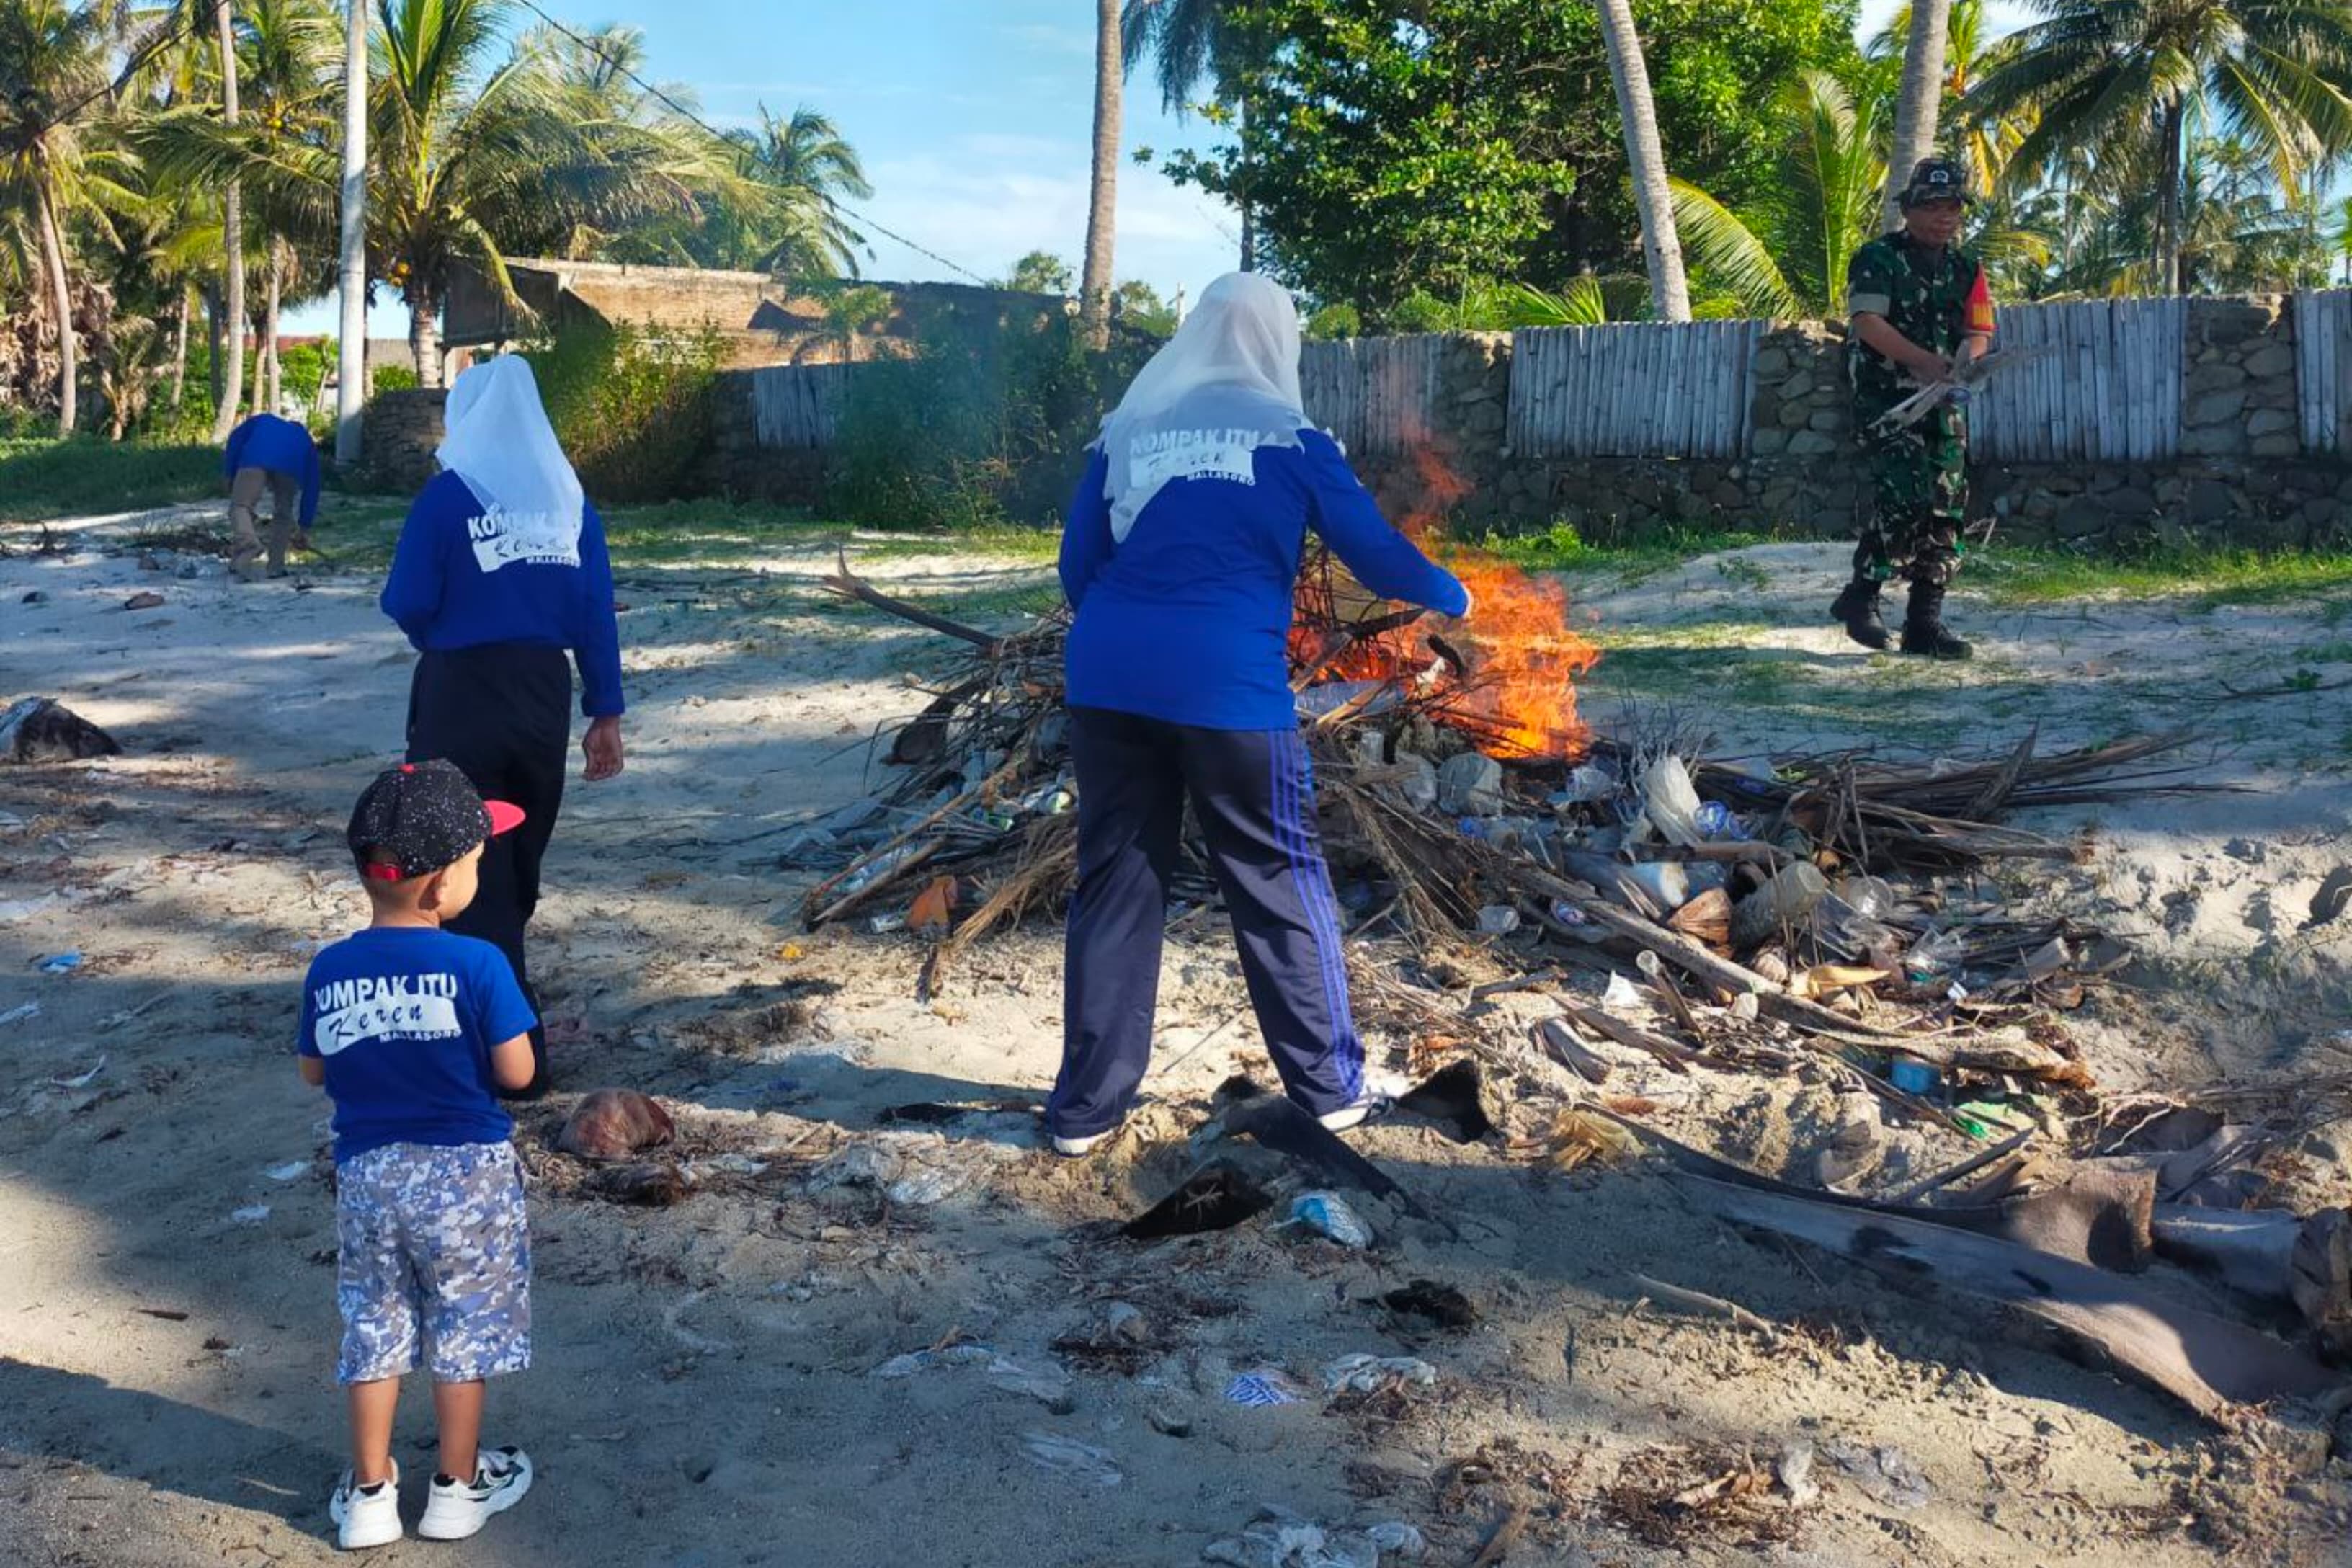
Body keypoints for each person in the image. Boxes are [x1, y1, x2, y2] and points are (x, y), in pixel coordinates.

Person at [1047, 271, 1471, 1157]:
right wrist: (1451, 593)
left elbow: (1078, 564)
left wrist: (1136, 636)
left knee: (1116, 881)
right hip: (1228, 690)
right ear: (1280, 341)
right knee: (1277, 874)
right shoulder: (1292, 437)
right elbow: (1374, 554)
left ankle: (1085, 1112)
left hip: (1108, 678)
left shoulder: (1127, 430)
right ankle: (1329, 1090)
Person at [300, 760, 538, 1550]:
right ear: (440, 885)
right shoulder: (478, 963)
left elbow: (314, 1070)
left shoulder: (330, 967)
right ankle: (456, 1490)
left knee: (374, 1322)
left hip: (369, 1176)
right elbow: (519, 1073)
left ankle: (370, 1493)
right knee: (463, 1327)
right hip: (466, 1175)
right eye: (476, 861)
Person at [380, 356, 625, 1097]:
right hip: (543, 695)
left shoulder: (448, 496)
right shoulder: (570, 501)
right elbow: (597, 615)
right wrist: (605, 712)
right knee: (513, 869)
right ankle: (503, 1035)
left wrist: (442, 636)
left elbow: (406, 599)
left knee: (454, 869)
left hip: (461, 693)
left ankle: (507, 1058)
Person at [1832, 156, 1995, 661]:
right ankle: (1863, 594)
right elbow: (1867, 322)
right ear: (1908, 210)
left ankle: (1925, 623)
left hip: (1944, 399)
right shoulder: (1878, 258)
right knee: (1904, 495)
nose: (1944, 217)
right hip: (1887, 398)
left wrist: (1963, 365)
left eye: (1953, 207)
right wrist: (1924, 362)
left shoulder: (1967, 269)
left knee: (1947, 503)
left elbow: (1979, 330)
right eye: (1932, 206)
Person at [222, 411, 323, 581]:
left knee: (240, 507)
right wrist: (304, 528)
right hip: (290, 467)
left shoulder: (262, 420)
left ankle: (248, 543)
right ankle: (276, 567)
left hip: (255, 458)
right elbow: (313, 488)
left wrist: (229, 474)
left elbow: (235, 442)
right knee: (283, 514)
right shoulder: (305, 440)